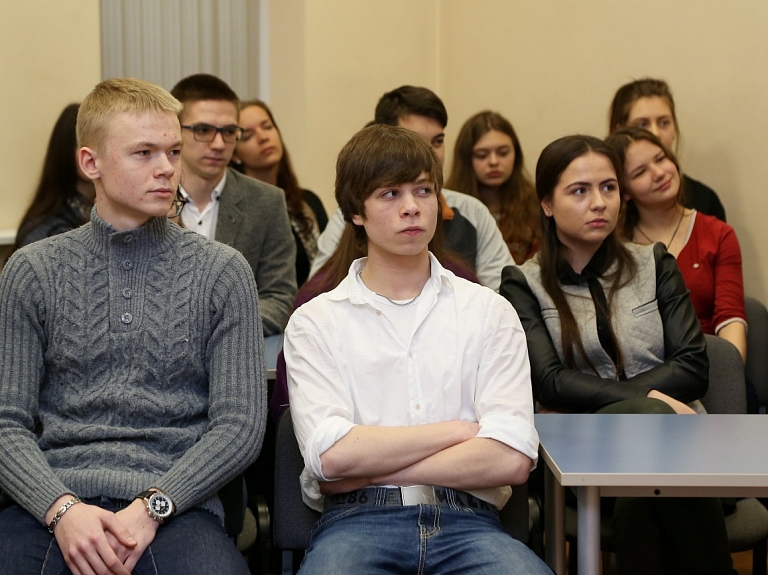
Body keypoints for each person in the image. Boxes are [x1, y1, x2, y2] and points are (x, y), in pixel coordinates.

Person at [0, 78, 265, 575]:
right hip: (52, 502)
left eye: (172, 151)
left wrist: (153, 507)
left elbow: (240, 427)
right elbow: (4, 422)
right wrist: (62, 510)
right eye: (143, 153)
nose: (166, 168)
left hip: (177, 506)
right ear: (90, 163)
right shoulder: (32, 270)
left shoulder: (223, 272)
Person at [285, 123, 549, 574]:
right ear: (356, 212)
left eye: (424, 191)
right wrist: (460, 430)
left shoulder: (488, 310)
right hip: (358, 521)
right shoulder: (316, 321)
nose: (412, 208)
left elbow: (511, 457)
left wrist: (366, 466)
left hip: (471, 521)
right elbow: (332, 457)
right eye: (390, 194)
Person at [500, 135, 734, 575]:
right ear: (547, 204)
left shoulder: (654, 263)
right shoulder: (521, 283)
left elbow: (693, 364)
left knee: (645, 487)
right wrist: (650, 403)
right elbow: (549, 380)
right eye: (580, 191)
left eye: (608, 188)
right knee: (655, 458)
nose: (599, 203)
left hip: (675, 441)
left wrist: (645, 408)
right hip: (581, 451)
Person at [310, 85, 514, 291]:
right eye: (390, 194)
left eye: (438, 141)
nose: (430, 154)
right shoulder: (354, 213)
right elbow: (319, 289)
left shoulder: (473, 212)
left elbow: (504, 293)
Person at [606, 127, 747, 361]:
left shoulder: (718, 234)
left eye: (661, 159)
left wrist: (728, 375)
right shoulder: (616, 246)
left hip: (710, 365)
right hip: (644, 374)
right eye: (640, 172)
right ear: (625, 191)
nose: (659, 173)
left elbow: (730, 320)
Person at [171, 73, 297, 335]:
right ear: (175, 130)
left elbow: (280, 297)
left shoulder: (266, 202)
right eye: (203, 130)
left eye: (229, 132)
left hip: (237, 356)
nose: (219, 144)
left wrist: (220, 329)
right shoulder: (150, 199)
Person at [232, 99, 328, 285]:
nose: (263, 137)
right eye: (248, 136)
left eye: (267, 127)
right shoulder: (235, 213)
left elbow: (332, 266)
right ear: (235, 155)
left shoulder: (308, 202)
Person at [608, 77, 727, 221]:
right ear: (620, 132)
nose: (655, 133)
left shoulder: (704, 199)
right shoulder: (606, 204)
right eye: (642, 124)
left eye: (664, 122)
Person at [446, 110, 540, 264]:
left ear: (516, 155)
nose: (494, 162)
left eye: (503, 153)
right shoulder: (450, 208)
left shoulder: (537, 206)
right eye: (482, 155)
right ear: (466, 159)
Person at [14, 103, 95, 249]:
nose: (94, 156)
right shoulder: (44, 231)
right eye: (84, 147)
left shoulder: (110, 216)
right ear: (64, 151)